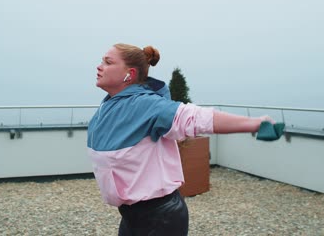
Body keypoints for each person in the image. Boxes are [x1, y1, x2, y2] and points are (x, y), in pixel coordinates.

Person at [87, 43, 275, 236]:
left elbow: (196, 118)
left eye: (108, 62)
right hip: (131, 216)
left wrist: (255, 123)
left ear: (130, 74)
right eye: (102, 61)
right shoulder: (110, 105)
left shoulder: (147, 105)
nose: (99, 66)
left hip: (160, 218)